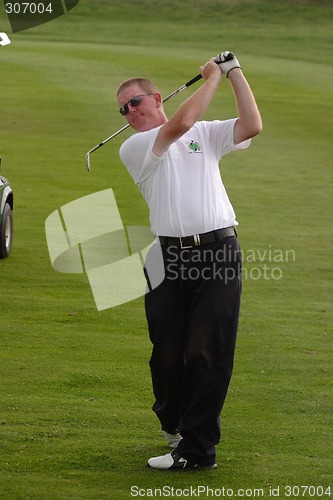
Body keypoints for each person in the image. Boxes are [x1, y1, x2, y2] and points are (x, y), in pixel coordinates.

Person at [116, 52, 262, 470]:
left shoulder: (205, 134)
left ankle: (197, 450)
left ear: (156, 97)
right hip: (167, 257)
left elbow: (252, 125)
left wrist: (233, 73)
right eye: (123, 109)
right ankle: (172, 418)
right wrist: (210, 78)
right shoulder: (136, 146)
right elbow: (178, 125)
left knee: (209, 351)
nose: (129, 113)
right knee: (166, 352)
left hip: (218, 253)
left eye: (135, 103)